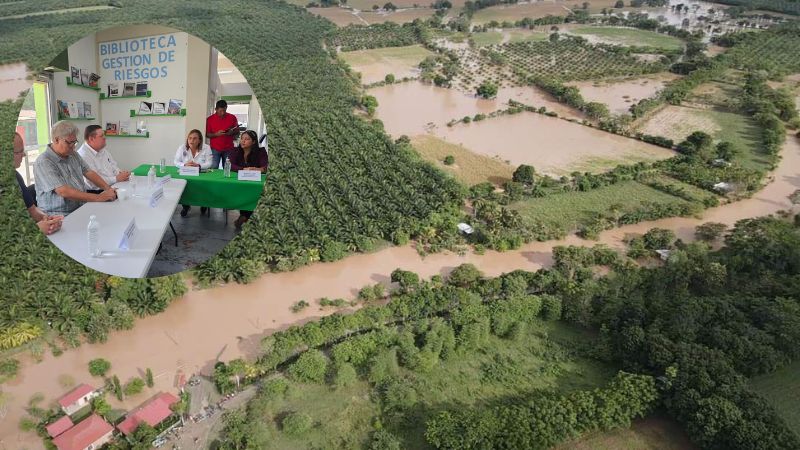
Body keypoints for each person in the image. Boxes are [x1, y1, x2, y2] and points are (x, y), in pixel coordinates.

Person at [33, 121, 117, 216]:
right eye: (69, 143)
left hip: (80, 207)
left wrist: (108, 189)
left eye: (75, 142)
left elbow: (89, 172)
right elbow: (64, 191)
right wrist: (98, 197)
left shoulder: (73, 154)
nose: (73, 147)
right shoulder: (44, 162)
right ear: (56, 140)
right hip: (59, 216)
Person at [13, 132, 62, 235]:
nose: (24, 154)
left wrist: (47, 218)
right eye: (19, 152)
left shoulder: (16, 176)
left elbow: (32, 209)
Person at [228, 130, 268, 229]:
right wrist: (243, 169)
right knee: (242, 192)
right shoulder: (235, 151)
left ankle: (244, 216)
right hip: (238, 182)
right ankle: (245, 216)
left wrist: (258, 169)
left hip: (254, 182)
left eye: (247, 139)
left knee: (254, 192)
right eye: (242, 138)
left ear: (254, 142)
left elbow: (265, 167)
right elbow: (230, 165)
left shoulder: (261, 152)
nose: (243, 141)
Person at [77, 124, 130, 192]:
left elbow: (113, 166)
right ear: (91, 139)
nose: (105, 138)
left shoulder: (102, 149)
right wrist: (116, 178)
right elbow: (93, 182)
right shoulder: (83, 155)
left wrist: (121, 173)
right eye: (101, 136)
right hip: (97, 192)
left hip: (112, 185)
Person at [174, 129, 213, 217]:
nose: (191, 140)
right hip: (187, 173)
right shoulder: (182, 147)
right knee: (185, 185)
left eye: (195, 138)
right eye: (190, 138)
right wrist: (184, 164)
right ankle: (186, 206)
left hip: (201, 173)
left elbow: (209, 163)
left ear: (199, 140)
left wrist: (198, 165)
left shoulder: (206, 147)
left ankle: (204, 204)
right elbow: (176, 161)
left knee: (204, 186)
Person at [205, 99, 239, 170]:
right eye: (220, 111)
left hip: (229, 148)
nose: (223, 113)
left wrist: (231, 132)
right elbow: (207, 134)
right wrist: (216, 134)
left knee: (227, 169)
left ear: (226, 108)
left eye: (224, 110)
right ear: (216, 109)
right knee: (214, 168)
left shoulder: (232, 118)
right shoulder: (209, 119)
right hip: (215, 148)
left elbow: (237, 131)